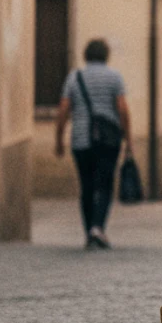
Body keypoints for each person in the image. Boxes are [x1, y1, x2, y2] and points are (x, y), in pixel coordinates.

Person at [54, 39, 131, 249]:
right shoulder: (114, 77)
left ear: (85, 55)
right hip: (108, 140)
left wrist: (59, 139)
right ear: (106, 55)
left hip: (81, 140)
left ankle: (89, 231)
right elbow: (122, 109)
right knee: (105, 184)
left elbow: (63, 109)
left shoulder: (74, 77)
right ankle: (98, 227)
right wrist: (128, 139)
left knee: (86, 185)